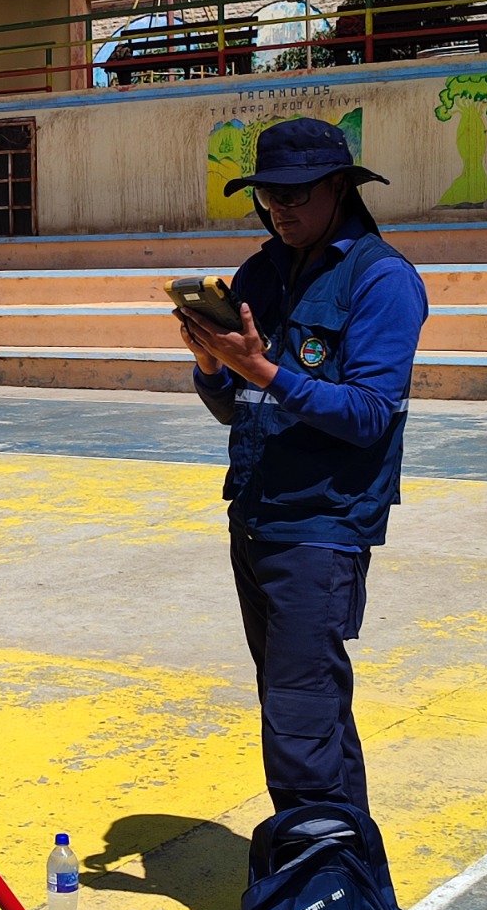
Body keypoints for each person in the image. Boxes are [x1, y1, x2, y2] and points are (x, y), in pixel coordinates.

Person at [178, 118, 427, 815]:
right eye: (268, 195)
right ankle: (347, 870)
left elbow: (370, 413)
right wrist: (212, 367)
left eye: (295, 194)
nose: (279, 208)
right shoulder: (259, 272)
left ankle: (317, 866)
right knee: (304, 711)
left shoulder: (381, 279)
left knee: (301, 723)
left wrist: (261, 368)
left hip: (323, 525)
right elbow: (236, 409)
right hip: (257, 517)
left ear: (339, 187)